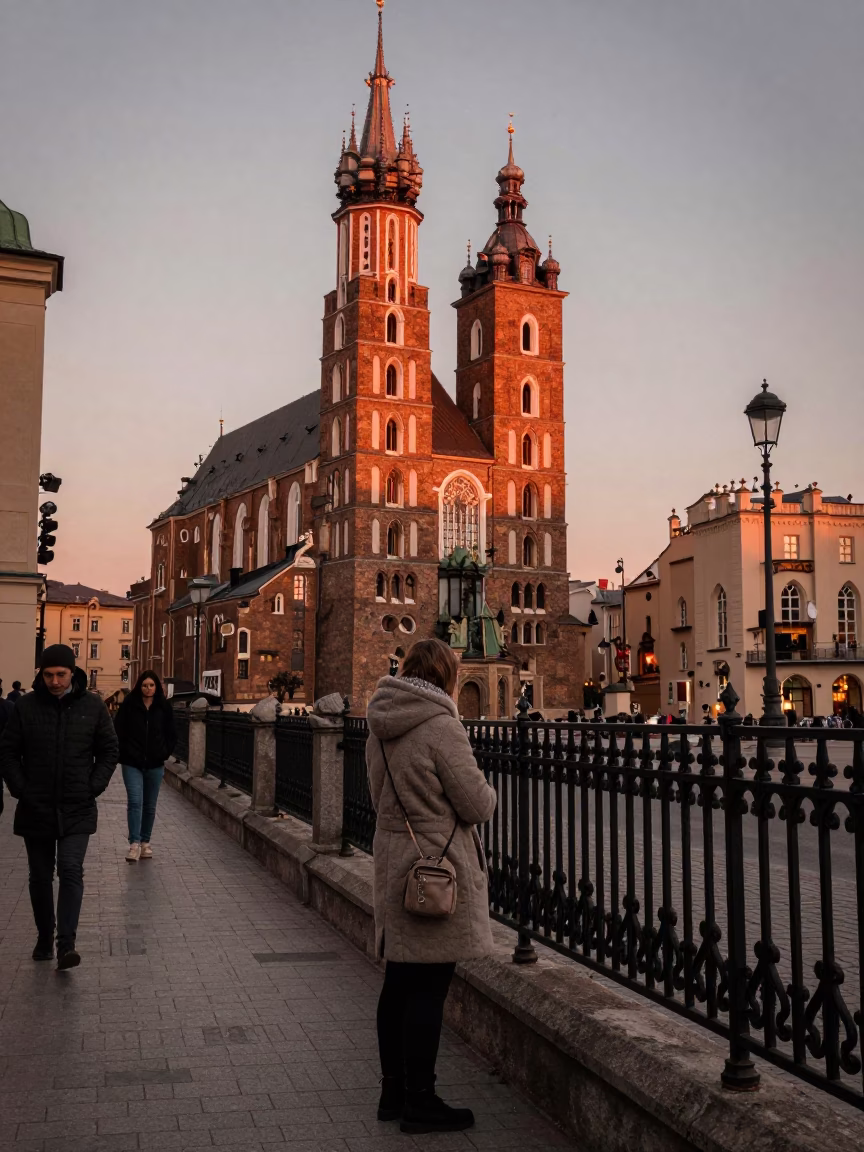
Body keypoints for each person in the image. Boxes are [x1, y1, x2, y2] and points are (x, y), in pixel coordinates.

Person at [366, 638, 496, 1135]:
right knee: (429, 987)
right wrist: (489, 792)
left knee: (398, 982)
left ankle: (392, 1092)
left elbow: (377, 793)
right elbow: (475, 803)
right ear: (445, 675)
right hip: (434, 866)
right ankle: (422, 1099)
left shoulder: (381, 723)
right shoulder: (442, 726)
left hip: (393, 856)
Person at [0, 644, 118, 969]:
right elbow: (8, 752)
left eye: (60, 675)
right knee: (39, 876)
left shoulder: (92, 706)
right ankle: (44, 935)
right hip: (35, 806)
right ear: (41, 673)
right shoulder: (26, 707)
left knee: (69, 869)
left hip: (77, 807)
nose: (54, 681)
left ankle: (66, 943)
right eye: (49, 675)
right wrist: (21, 789)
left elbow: (109, 750)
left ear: (71, 673)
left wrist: (92, 786)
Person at [114, 669, 176, 863]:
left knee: (149, 805)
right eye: (144, 685)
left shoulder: (163, 708)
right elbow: (118, 730)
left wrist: (163, 752)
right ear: (139, 686)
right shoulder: (129, 706)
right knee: (134, 801)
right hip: (132, 763)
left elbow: (172, 733)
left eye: (151, 685)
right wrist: (125, 751)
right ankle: (134, 843)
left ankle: (145, 843)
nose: (148, 689)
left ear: (156, 687)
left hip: (155, 763)